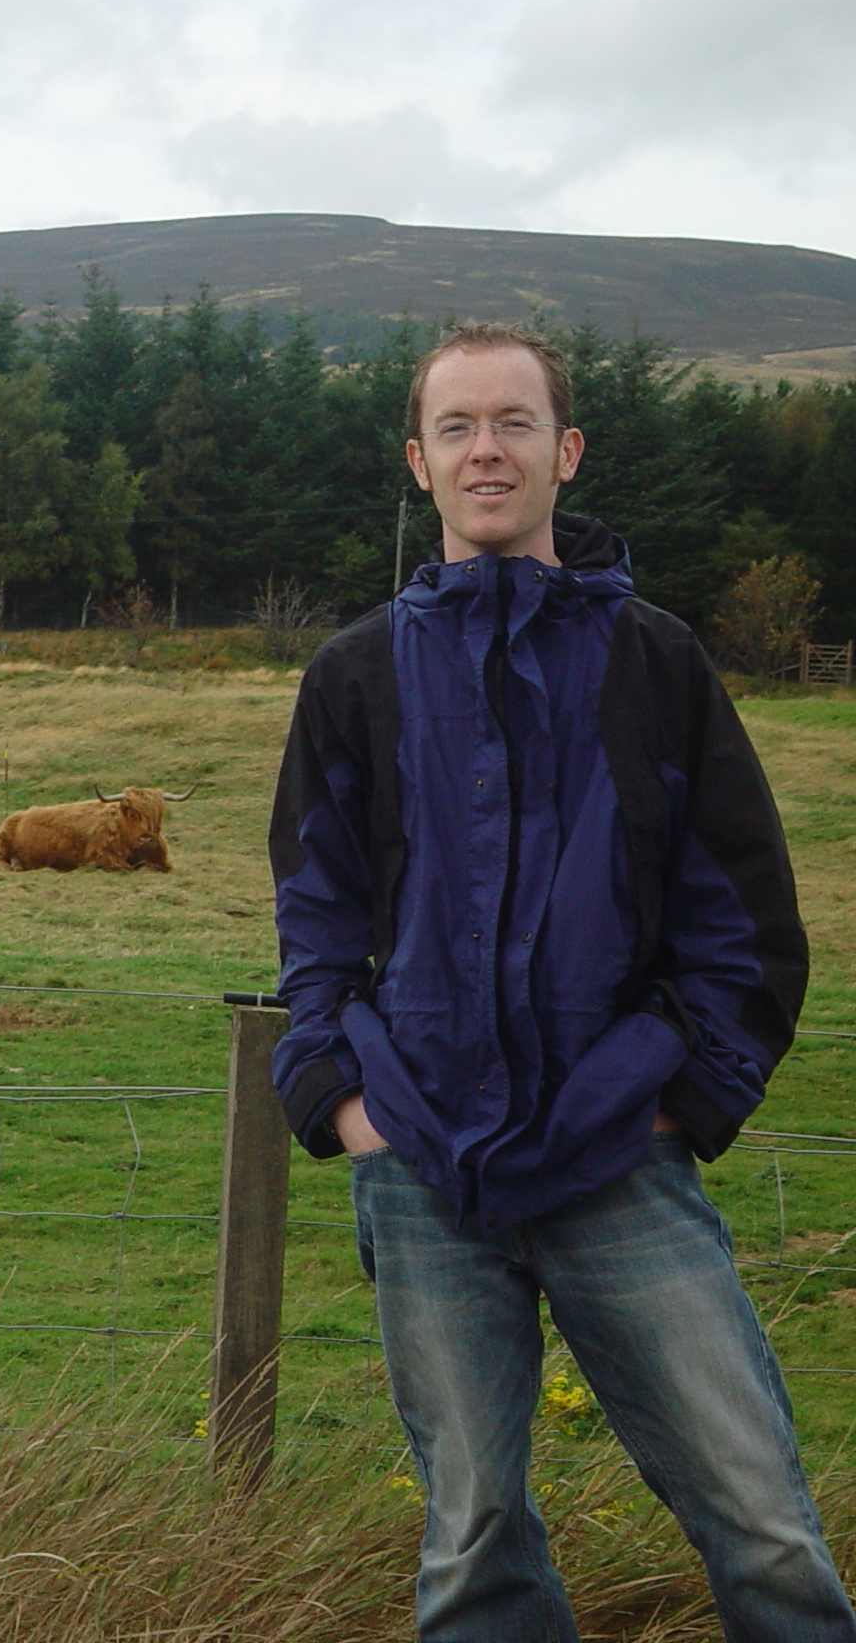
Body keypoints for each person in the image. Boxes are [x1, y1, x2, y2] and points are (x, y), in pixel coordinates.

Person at [268, 320, 851, 1642]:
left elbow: (744, 919)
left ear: (566, 451)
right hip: (423, 1168)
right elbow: (316, 909)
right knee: (472, 1544)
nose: (488, 451)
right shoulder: (357, 673)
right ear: (418, 462)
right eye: (458, 428)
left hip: (618, 1161)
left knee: (763, 1528)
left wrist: (680, 1099)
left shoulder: (657, 666)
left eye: (514, 423)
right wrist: (342, 1099)